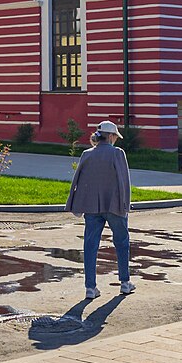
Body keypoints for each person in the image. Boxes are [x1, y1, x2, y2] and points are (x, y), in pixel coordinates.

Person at [66, 120, 134, 299]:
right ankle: (125, 283)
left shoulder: (87, 154)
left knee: (90, 245)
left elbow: (77, 180)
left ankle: (90, 287)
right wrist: (126, 204)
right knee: (122, 242)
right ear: (111, 136)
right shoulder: (118, 153)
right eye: (115, 137)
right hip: (114, 205)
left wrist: (75, 203)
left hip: (92, 206)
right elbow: (124, 181)